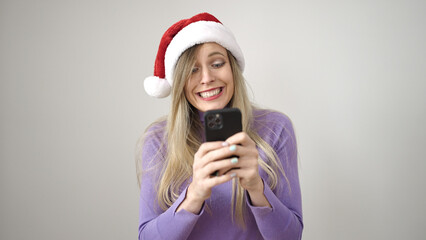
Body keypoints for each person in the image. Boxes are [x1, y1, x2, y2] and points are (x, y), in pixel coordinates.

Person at [137, 12, 303, 240]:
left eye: (217, 63)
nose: (206, 78)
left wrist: (256, 187)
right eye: (193, 70)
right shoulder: (157, 139)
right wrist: (194, 194)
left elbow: (291, 236)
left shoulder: (276, 129)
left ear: (233, 68)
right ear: (180, 82)